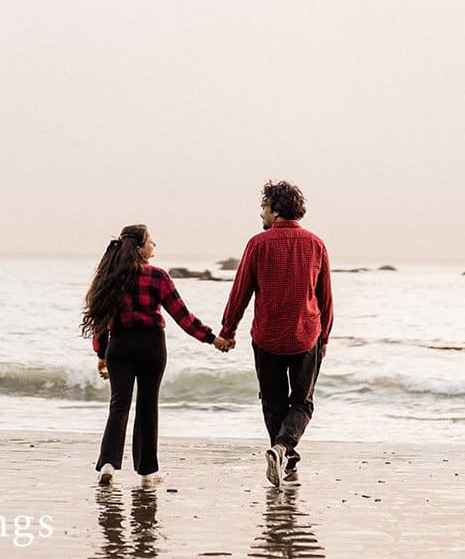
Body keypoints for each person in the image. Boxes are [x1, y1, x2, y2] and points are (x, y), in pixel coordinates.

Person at [81, 224, 233, 484]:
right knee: (147, 405)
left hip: (119, 346)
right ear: (140, 249)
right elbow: (182, 316)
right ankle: (148, 472)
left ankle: (108, 464)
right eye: (151, 242)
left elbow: (100, 322)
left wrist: (102, 354)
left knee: (119, 405)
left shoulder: (110, 277)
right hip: (151, 345)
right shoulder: (157, 277)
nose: (155, 245)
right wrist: (212, 339)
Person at [219, 180, 333, 487]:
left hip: (267, 337)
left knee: (272, 401)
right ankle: (285, 452)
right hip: (305, 335)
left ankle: (283, 452)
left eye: (264, 207)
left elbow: (240, 292)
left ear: (276, 209)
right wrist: (324, 338)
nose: (261, 213)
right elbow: (325, 298)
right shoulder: (316, 244)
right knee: (303, 402)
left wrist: (228, 330)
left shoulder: (258, 244)